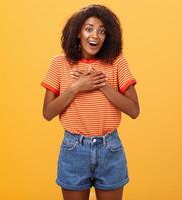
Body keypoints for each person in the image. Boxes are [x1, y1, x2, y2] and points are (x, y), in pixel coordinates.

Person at [40, 4, 140, 200]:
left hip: (109, 149)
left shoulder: (117, 61)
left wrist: (101, 83)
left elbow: (134, 110)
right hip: (73, 149)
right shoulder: (59, 63)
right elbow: (48, 113)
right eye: (89, 29)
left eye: (102, 31)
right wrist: (77, 86)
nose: (95, 35)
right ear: (78, 33)